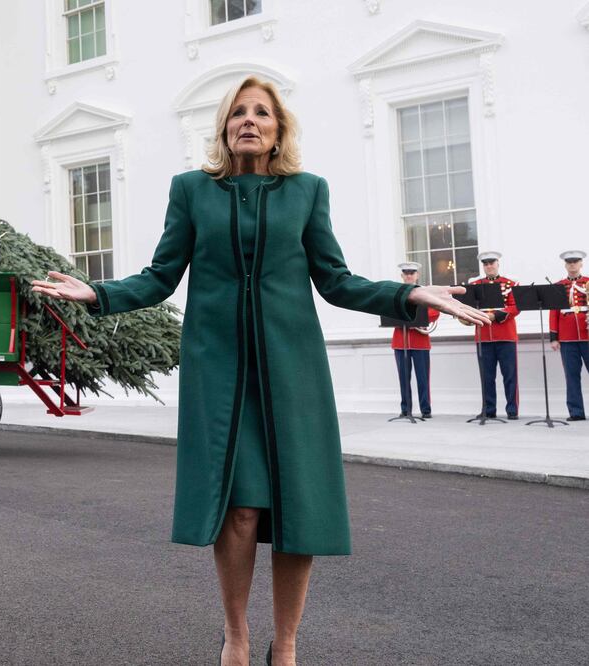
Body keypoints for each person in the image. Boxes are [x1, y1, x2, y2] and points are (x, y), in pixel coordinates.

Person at [30, 75, 489, 666]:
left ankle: (288, 644)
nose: (249, 120)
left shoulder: (307, 191)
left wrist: (410, 296)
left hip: (291, 368)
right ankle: (237, 636)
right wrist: (98, 292)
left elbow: (337, 280)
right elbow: (160, 275)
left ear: (278, 131)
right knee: (241, 509)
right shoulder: (192, 190)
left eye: (262, 113)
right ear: (224, 128)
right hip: (218, 370)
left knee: (298, 505)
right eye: (238, 113)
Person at [468, 252, 519, 419]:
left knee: (510, 376)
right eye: (486, 263)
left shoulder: (510, 284)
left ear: (498, 263)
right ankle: (489, 410)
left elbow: (515, 307)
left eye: (492, 263)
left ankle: (512, 410)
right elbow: (468, 306)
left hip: (506, 336)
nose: (489, 266)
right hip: (483, 336)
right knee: (486, 377)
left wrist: (494, 315)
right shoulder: (475, 285)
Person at [391, 262, 440, 418]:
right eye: (406, 273)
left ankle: (426, 410)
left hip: (420, 341)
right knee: (404, 379)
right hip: (401, 341)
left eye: (412, 273)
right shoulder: (395, 292)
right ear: (402, 276)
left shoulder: (425, 292)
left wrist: (416, 320)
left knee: (423, 378)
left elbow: (435, 311)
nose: (409, 275)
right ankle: (406, 410)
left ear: (417, 275)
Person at [549, 250, 589, 421]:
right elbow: (554, 313)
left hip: (587, 336)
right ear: (565, 265)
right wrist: (554, 337)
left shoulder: (588, 283)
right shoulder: (559, 285)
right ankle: (576, 412)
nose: (572, 264)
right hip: (567, 338)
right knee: (571, 376)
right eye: (569, 262)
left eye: (576, 261)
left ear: (581, 263)